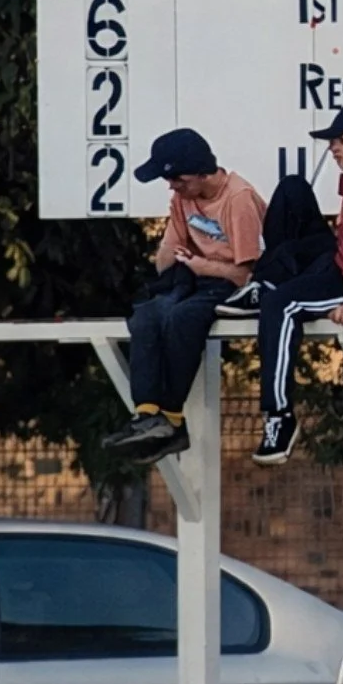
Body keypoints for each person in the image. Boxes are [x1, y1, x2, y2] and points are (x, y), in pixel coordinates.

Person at [218, 103, 343, 466]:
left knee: (282, 305)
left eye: (341, 140)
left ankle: (278, 417)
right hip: (339, 261)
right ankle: (263, 283)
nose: (332, 148)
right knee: (293, 189)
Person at [102, 128, 265, 460]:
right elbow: (169, 253)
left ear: (199, 171)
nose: (172, 185)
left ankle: (172, 418)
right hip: (196, 275)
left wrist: (204, 267)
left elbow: (247, 273)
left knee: (183, 317)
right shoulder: (183, 199)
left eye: (176, 177)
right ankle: (147, 415)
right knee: (147, 314)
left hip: (234, 283)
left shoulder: (238, 198)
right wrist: (171, 263)